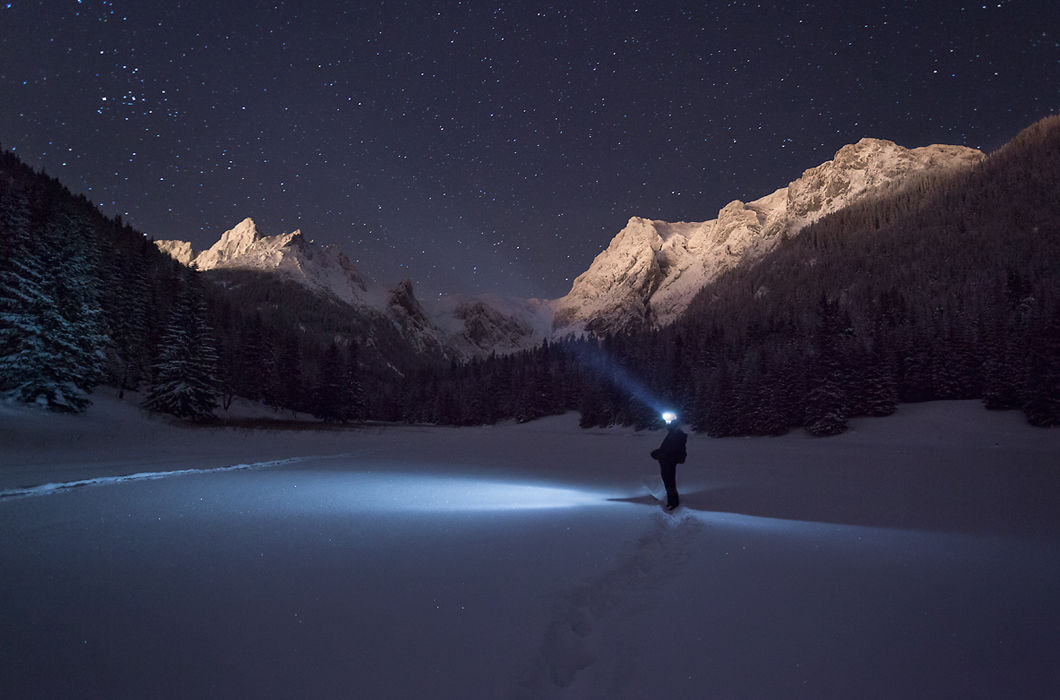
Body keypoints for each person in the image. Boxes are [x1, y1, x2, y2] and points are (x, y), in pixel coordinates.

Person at [650, 415, 687, 510]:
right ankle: (672, 500)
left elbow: (670, 450)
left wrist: (658, 454)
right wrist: (658, 453)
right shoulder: (673, 434)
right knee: (668, 481)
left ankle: (673, 502)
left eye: (668, 423)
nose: (667, 424)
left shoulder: (676, 435)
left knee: (669, 481)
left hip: (669, 461)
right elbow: (666, 449)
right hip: (667, 461)